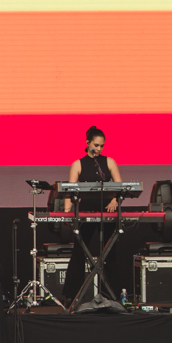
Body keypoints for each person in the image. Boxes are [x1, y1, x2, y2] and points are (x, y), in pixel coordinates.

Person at [64, 126, 126, 303]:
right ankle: (71, 296)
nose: (98, 149)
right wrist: (68, 212)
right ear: (87, 143)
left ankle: (112, 296)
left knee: (109, 254)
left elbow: (120, 186)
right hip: (85, 213)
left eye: (101, 146)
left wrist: (115, 201)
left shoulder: (109, 162)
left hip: (107, 213)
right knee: (79, 253)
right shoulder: (78, 164)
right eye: (96, 145)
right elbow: (70, 191)